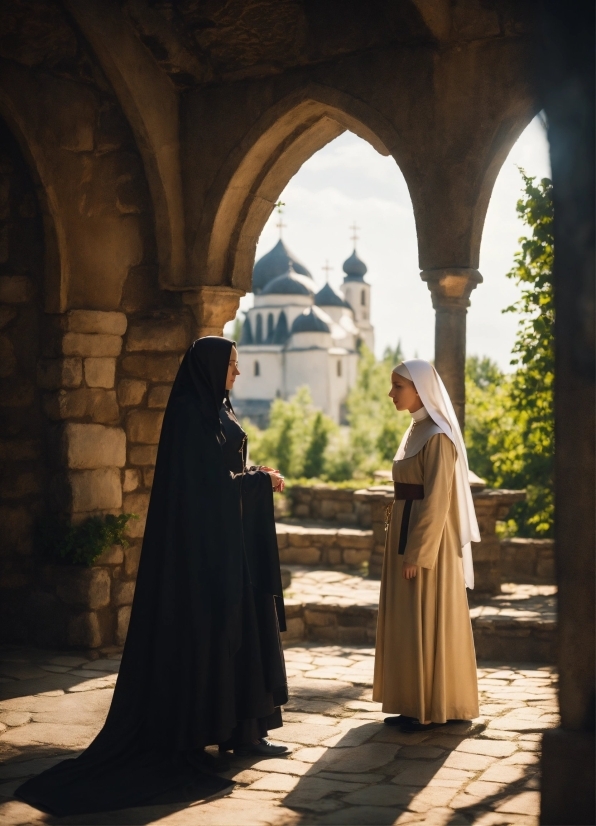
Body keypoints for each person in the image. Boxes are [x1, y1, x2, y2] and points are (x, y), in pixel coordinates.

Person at [16, 336, 288, 816]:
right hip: (202, 557)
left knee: (244, 631)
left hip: (230, 548)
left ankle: (244, 734)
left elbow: (225, 473)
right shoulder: (188, 415)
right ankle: (210, 732)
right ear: (208, 368)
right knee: (217, 635)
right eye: (232, 366)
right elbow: (204, 490)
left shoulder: (215, 409)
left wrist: (253, 475)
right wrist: (257, 483)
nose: (238, 374)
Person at [373, 359, 480, 731]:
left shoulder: (438, 436)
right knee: (406, 621)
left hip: (427, 545)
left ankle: (431, 705)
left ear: (419, 389)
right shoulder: (415, 430)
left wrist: (419, 553)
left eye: (397, 386)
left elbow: (436, 500)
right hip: (404, 534)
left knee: (424, 615)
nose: (391, 393)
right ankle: (408, 701)